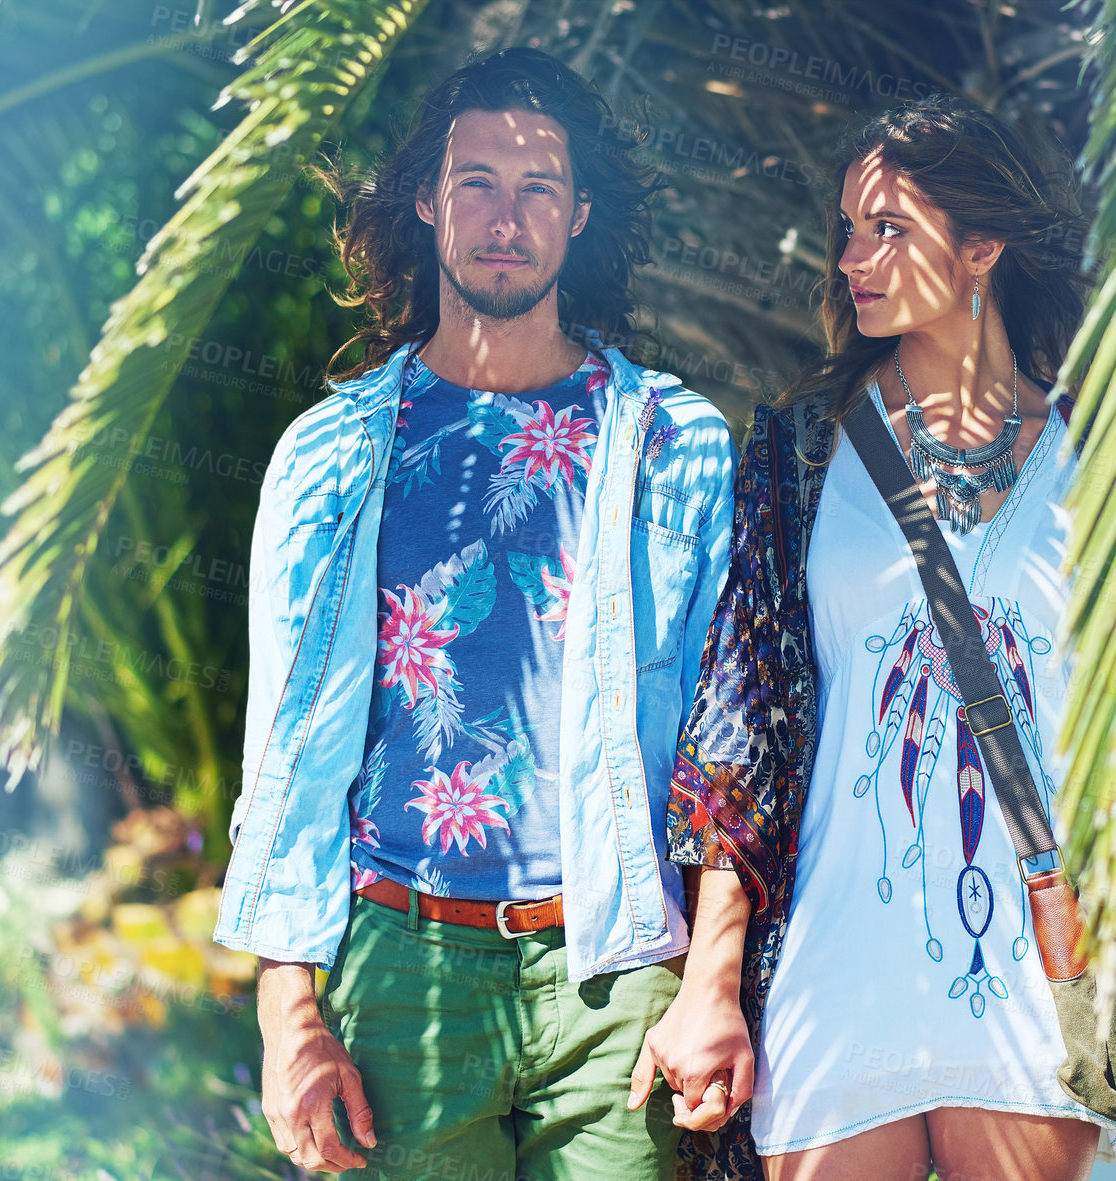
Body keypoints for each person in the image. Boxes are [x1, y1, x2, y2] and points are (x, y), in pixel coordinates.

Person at [640, 96, 1116, 1181]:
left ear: (984, 245)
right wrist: (713, 978)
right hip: (834, 961)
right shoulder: (802, 450)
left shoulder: (1108, 466)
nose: (853, 257)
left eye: (889, 228)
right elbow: (740, 724)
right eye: (848, 228)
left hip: (1039, 976)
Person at [211, 47, 736, 1180]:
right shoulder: (333, 452)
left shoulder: (677, 442)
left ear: (581, 213)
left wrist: (712, 983)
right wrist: (287, 1013)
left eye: (538, 187)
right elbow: (287, 753)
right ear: (428, 200)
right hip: (402, 970)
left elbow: (723, 741)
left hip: (615, 972)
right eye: (478, 182)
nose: (507, 216)